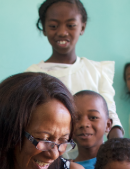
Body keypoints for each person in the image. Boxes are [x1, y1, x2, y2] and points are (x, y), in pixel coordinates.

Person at [26, 0, 123, 140]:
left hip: (93, 153)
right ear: (44, 28)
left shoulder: (98, 71)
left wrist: (119, 146)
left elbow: (110, 114)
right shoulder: (32, 76)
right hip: (50, 152)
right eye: (53, 26)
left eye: (71, 25)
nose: (62, 32)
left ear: (82, 27)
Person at [73, 90, 113, 169]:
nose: (84, 124)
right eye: (76, 118)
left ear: (108, 125)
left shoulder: (119, 166)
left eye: (93, 117)